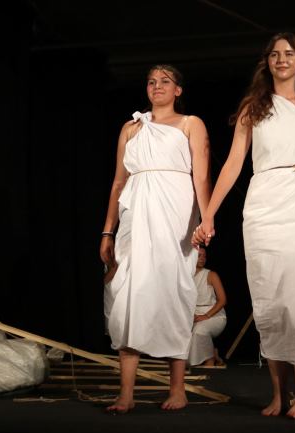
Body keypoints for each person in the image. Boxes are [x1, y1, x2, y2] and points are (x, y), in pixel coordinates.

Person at [192, 32, 295, 419]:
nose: (281, 59)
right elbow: (233, 163)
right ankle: (277, 394)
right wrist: (209, 214)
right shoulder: (254, 107)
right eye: (274, 54)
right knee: (270, 299)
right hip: (265, 202)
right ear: (267, 63)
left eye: (288, 53)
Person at [100, 64, 211, 413]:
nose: (157, 86)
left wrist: (207, 220)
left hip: (175, 213)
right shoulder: (131, 128)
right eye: (151, 81)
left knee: (173, 291)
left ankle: (177, 389)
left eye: (165, 81)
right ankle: (126, 393)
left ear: (178, 89)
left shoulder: (190, 123)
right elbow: (118, 182)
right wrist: (107, 230)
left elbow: (201, 176)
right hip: (136, 214)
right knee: (129, 295)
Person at [188, 246, 227, 367]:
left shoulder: (211, 275)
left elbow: (222, 300)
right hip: (194, 315)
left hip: (214, 315)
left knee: (199, 331)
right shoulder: (186, 276)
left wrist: (206, 315)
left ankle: (210, 360)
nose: (202, 259)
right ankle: (213, 354)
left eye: (204, 256)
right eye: (199, 256)